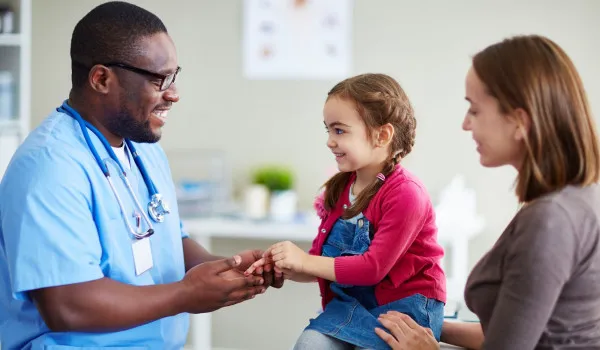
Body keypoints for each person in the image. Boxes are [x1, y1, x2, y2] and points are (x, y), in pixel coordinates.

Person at [0, 2, 281, 349]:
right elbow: (68, 306)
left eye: (174, 76)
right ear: (101, 79)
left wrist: (227, 268)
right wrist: (186, 295)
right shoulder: (49, 168)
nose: (174, 94)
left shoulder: (143, 146)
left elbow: (167, 242)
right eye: (158, 80)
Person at [378, 34, 600, 350]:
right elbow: (513, 333)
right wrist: (431, 327)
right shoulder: (574, 197)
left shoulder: (551, 221)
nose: (466, 125)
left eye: (475, 110)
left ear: (519, 121)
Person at [247, 73, 447, 349]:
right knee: (309, 344)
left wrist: (305, 261)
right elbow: (321, 263)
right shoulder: (340, 188)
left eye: (339, 130)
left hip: (405, 313)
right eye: (327, 130)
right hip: (354, 305)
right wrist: (288, 265)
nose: (330, 140)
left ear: (382, 135)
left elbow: (372, 268)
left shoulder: (406, 193)